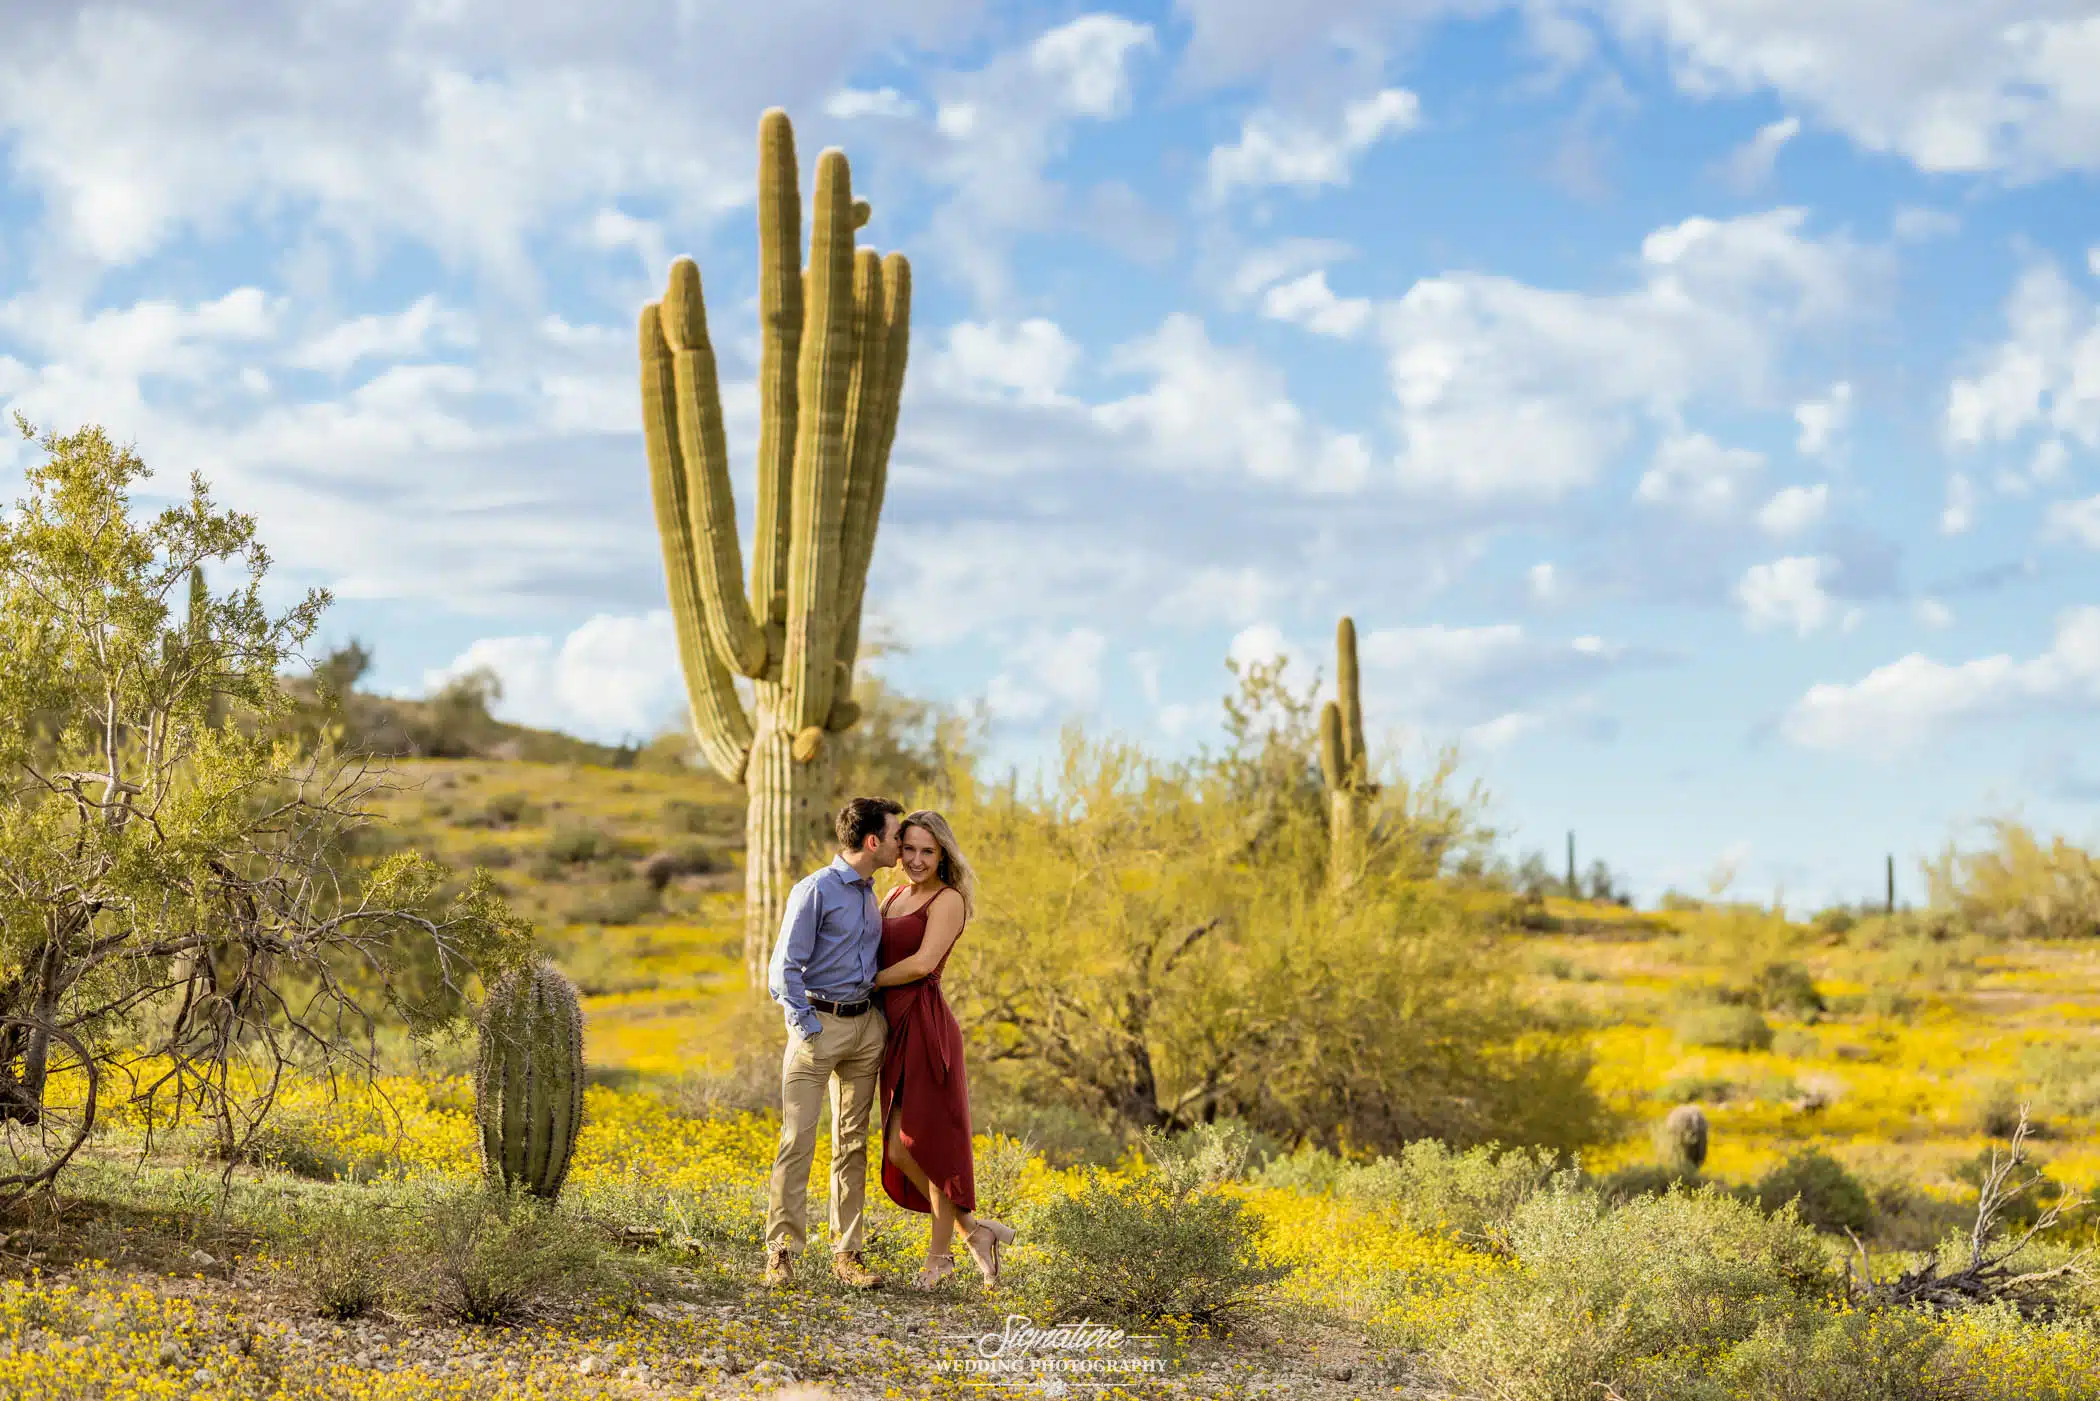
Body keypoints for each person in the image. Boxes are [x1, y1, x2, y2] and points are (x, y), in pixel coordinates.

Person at [763, 795, 904, 1290]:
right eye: (895, 836)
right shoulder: (816, 890)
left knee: (853, 1144)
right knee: (797, 1140)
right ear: (872, 841)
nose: (900, 845)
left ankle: (847, 1254)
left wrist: (875, 1025)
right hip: (818, 1027)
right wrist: (807, 1027)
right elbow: (783, 969)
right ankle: (781, 1251)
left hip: (866, 1029)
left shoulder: (870, 892)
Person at [873, 809, 1017, 1290]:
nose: (915, 859)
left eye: (927, 851)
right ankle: (976, 1234)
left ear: (943, 854)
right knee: (899, 1148)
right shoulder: (892, 895)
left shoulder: (948, 899)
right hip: (890, 1029)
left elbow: (922, 963)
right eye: (908, 848)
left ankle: (939, 1260)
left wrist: (864, 982)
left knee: (919, 1146)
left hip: (925, 1026)